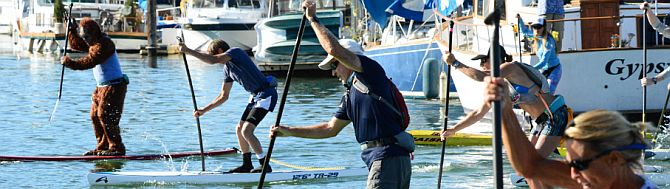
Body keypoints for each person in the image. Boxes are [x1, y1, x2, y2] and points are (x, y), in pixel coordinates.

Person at [270, 1, 412, 188]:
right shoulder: (350, 94)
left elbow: (333, 50)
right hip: (385, 159)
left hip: (385, 157)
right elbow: (330, 129)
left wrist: (312, 19)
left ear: (348, 59)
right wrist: (289, 131)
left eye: (334, 64)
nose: (333, 72)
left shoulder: (370, 72)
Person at [485, 76, 658, 189]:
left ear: (614, 159)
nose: (573, 174)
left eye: (579, 165)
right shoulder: (600, 179)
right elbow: (530, 168)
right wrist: (504, 109)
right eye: (570, 164)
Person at [440, 45, 570, 188]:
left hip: (554, 115)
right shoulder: (500, 85)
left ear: (496, 59)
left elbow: (483, 77)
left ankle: (578, 177)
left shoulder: (511, 68)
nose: (482, 64)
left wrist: (455, 63)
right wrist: (454, 129)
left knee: (532, 166)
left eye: (484, 60)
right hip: (540, 122)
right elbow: (479, 112)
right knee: (524, 167)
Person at [178, 39, 278, 173]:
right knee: (239, 129)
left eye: (214, 55)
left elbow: (212, 60)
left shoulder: (236, 52)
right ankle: (247, 164)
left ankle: (264, 164)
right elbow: (223, 96)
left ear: (219, 51)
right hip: (255, 97)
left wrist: (188, 50)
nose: (216, 62)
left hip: (266, 94)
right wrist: (203, 110)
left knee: (246, 131)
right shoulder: (227, 70)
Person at [61, 18, 129, 156]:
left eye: (87, 37)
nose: (85, 40)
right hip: (101, 87)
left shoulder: (105, 44)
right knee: (94, 116)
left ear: (93, 33)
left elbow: (90, 61)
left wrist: (70, 63)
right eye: (83, 36)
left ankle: (117, 148)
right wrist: (71, 31)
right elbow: (78, 45)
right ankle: (102, 146)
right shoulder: (93, 42)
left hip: (114, 87)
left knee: (105, 115)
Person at [518, 17, 562, 94]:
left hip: (554, 70)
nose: (537, 30)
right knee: (537, 91)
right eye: (535, 27)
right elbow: (524, 31)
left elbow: (543, 62)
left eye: (539, 27)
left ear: (543, 28)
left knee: (548, 92)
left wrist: (529, 69)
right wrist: (520, 19)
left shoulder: (549, 42)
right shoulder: (534, 35)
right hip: (544, 70)